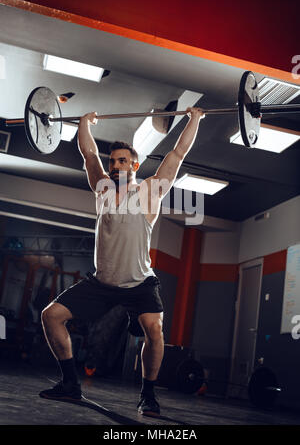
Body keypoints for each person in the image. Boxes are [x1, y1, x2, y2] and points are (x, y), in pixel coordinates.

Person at [39, 106, 205, 416]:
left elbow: (177, 154)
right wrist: (84, 123)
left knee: (154, 330)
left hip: (139, 283)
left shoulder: (148, 193)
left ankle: (148, 395)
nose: (115, 165)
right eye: (113, 161)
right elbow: (88, 154)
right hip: (102, 283)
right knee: (51, 316)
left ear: (135, 165)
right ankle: (70, 384)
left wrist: (193, 119)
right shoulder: (102, 190)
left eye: (122, 160)